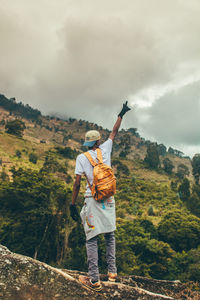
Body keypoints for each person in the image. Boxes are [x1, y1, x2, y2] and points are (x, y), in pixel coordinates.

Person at [70, 101, 131, 292]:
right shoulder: (105, 149)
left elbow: (78, 183)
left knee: (92, 238)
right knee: (110, 235)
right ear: (98, 141)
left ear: (87, 143)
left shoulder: (81, 158)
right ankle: (112, 273)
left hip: (92, 200)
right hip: (108, 199)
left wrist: (73, 204)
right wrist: (121, 113)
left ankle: (94, 279)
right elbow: (114, 132)